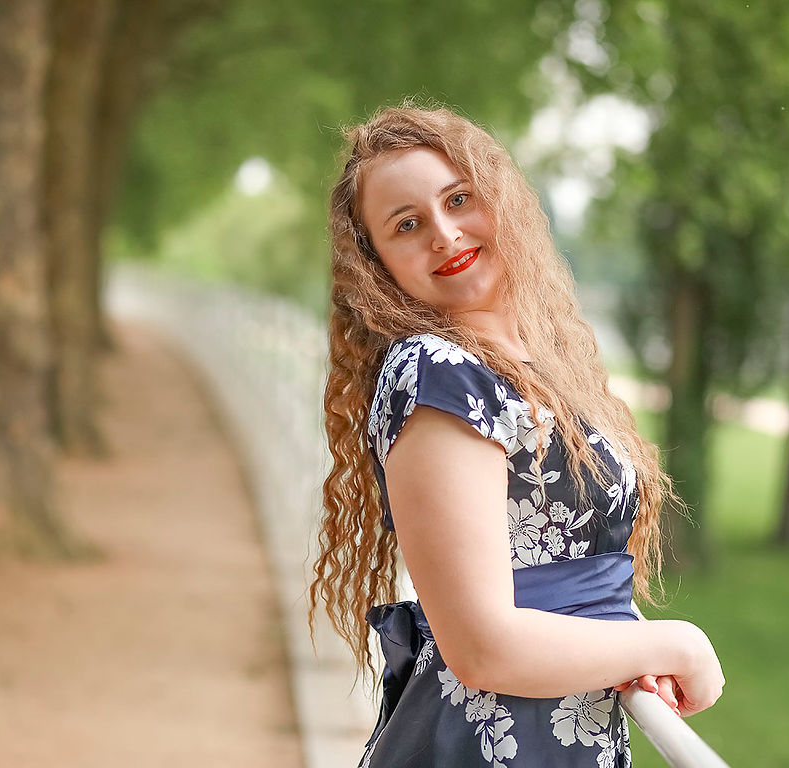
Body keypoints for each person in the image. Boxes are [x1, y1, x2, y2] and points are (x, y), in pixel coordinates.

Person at [309, 104, 724, 768]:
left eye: (458, 199)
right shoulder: (438, 374)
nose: (444, 234)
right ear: (377, 262)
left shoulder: (534, 366)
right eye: (408, 224)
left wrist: (627, 642)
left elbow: (573, 574)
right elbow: (481, 647)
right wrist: (674, 645)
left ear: (499, 198)